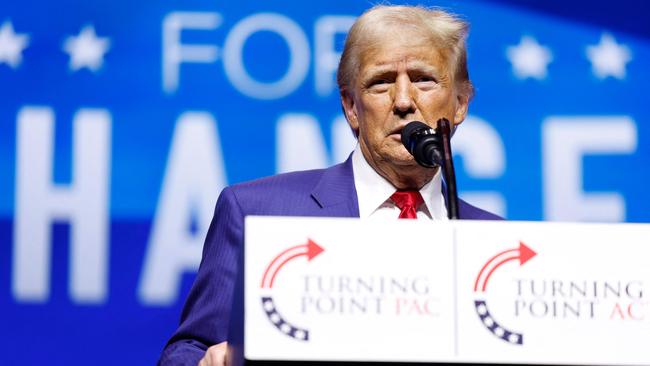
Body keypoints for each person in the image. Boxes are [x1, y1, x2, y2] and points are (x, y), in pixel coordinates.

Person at [158, 5, 500, 366]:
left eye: (424, 79)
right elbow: (187, 350)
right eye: (381, 82)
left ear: (460, 103)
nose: (403, 101)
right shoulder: (257, 212)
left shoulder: (495, 243)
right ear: (351, 106)